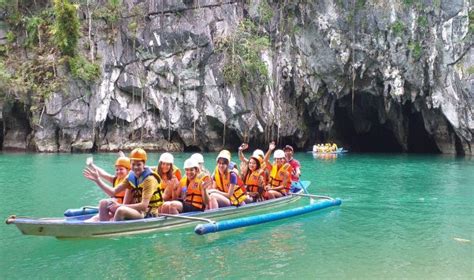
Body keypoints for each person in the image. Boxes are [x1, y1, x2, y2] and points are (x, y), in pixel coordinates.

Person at [84, 148, 164, 221]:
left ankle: (111, 229)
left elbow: (143, 206)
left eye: (139, 164)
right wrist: (97, 180)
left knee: (121, 210)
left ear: (144, 164)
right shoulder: (131, 177)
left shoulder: (149, 179)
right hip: (137, 210)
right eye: (133, 164)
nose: (136, 167)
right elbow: (113, 192)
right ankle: (102, 226)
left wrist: (120, 206)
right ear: (130, 164)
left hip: (148, 212)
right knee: (103, 203)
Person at [83, 156, 131, 222]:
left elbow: (112, 192)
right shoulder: (116, 179)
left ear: (128, 170)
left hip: (124, 209)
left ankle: (106, 225)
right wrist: (92, 165)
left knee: (104, 203)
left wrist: (97, 180)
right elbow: (103, 173)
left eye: (121, 169)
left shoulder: (129, 181)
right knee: (95, 218)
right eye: (117, 169)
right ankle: (84, 225)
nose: (118, 171)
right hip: (115, 207)